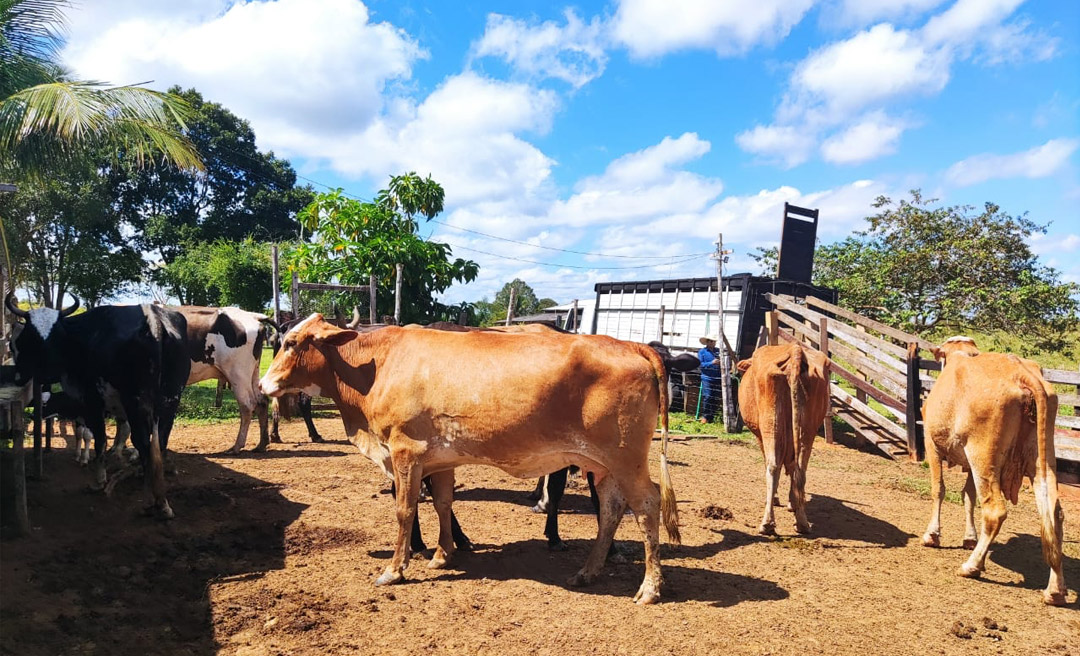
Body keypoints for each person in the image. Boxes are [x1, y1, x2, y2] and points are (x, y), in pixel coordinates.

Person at [697, 332, 723, 423]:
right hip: (707, 378)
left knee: (715, 398)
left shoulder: (718, 351)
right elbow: (700, 365)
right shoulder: (702, 352)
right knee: (707, 396)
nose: (713, 343)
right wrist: (711, 363)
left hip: (717, 377)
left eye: (714, 341)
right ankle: (705, 416)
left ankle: (712, 417)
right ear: (707, 342)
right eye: (711, 341)